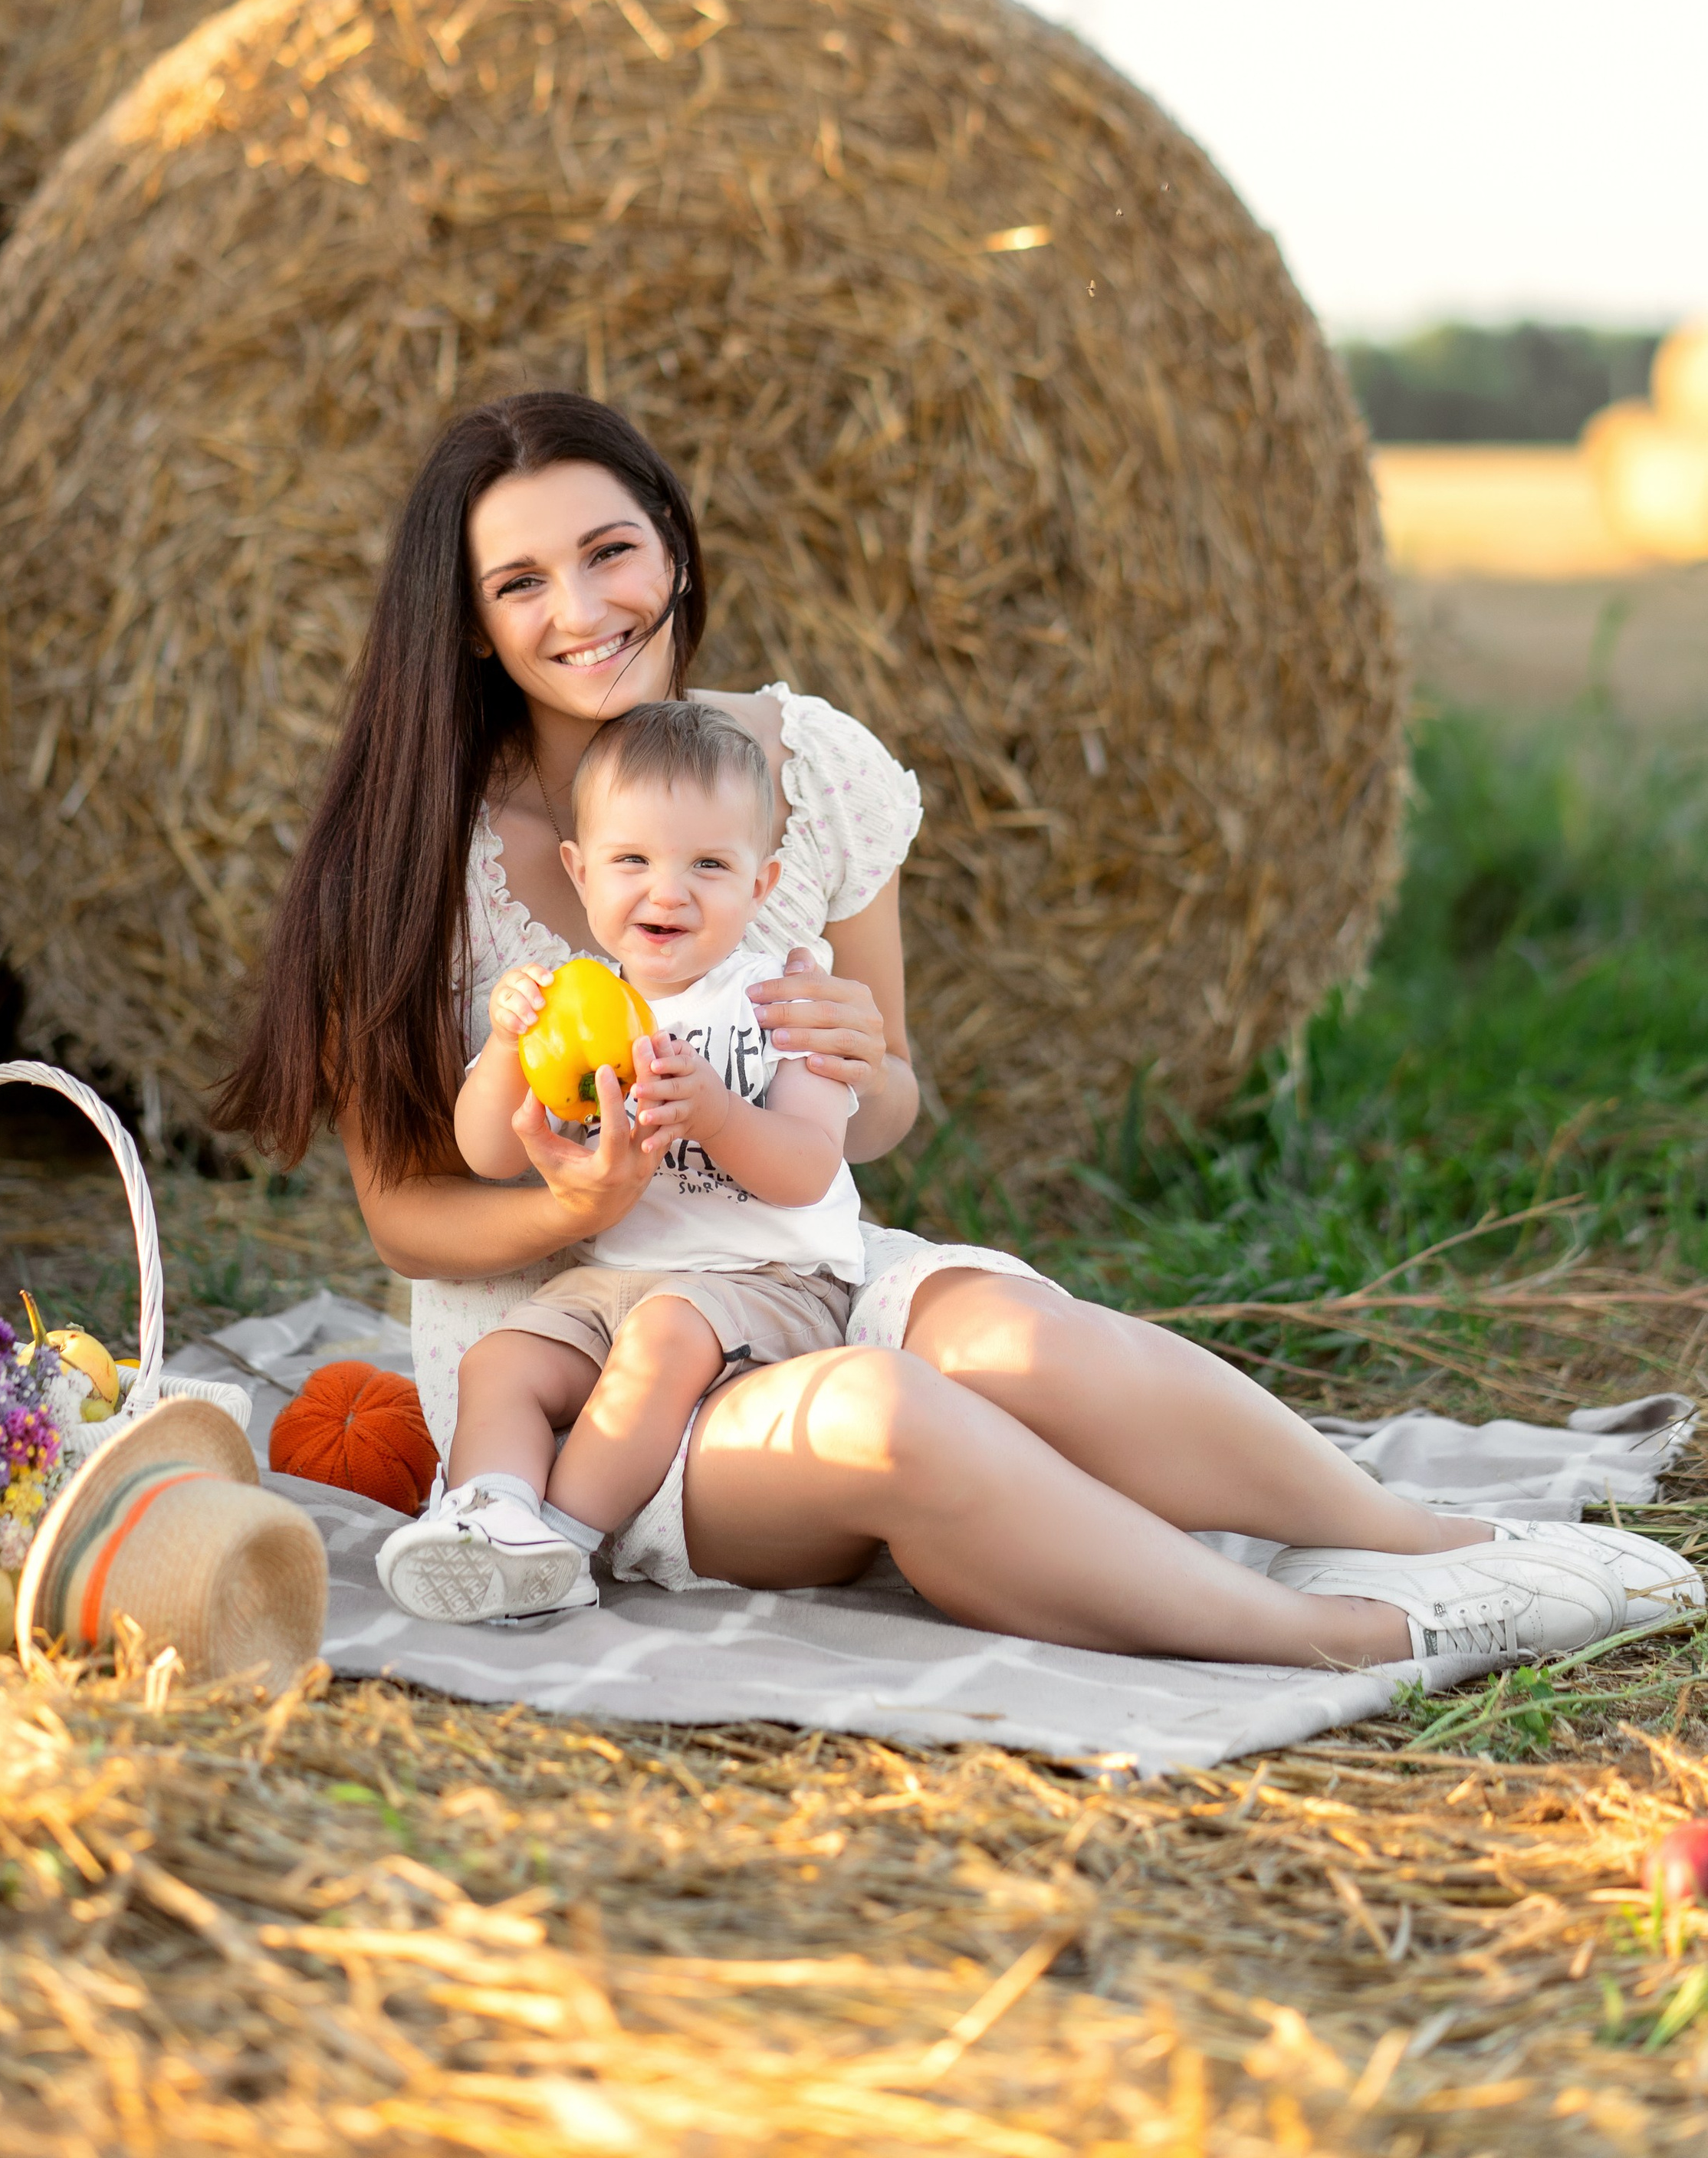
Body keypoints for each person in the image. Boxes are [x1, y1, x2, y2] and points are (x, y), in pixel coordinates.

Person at [218, 390, 1696, 1676]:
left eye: (611, 551)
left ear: (674, 546)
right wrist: (574, 1203)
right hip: (571, 1379)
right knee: (885, 1415)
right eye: (521, 581)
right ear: (472, 625)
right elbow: (406, 1217)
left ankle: (1432, 1543)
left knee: (1016, 1336)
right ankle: (1349, 1635)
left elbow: (884, 1113)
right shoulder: (409, 853)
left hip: (788, 1264)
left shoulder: (807, 768)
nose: (582, 608)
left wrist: (855, 1060)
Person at [382, 699, 861, 1624]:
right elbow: (485, 1154)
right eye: (632, 861)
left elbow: (807, 1168)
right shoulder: (577, 1001)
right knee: (501, 1361)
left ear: (760, 885)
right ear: (580, 871)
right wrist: (507, 1047)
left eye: (708, 865)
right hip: (614, 1282)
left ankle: (559, 1545)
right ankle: (487, 1516)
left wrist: (718, 1114)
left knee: (664, 1335)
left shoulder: (778, 1003)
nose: (667, 893)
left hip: (766, 1281)